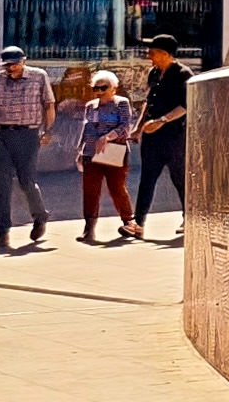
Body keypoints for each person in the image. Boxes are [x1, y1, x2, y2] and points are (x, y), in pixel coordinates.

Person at [0, 45, 58, 251]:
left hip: (28, 134)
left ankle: (40, 216)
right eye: (7, 65)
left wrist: (47, 130)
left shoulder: (38, 77)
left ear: (23, 61)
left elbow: (49, 105)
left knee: (26, 181)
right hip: (2, 135)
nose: (10, 69)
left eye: (14, 65)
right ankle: (2, 233)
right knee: (2, 185)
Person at [133, 34, 192, 242]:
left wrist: (162, 121)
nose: (149, 56)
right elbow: (148, 102)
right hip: (152, 137)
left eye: (153, 53)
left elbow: (186, 105)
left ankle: (189, 218)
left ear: (165, 54)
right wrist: (138, 127)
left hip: (174, 137)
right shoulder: (154, 73)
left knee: (179, 178)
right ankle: (137, 223)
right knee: (147, 179)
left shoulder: (183, 74)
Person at [76, 70, 138, 244]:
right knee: (90, 191)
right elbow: (86, 129)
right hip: (92, 153)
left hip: (114, 151)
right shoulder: (90, 106)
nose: (99, 92)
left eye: (103, 88)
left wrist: (108, 136)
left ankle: (129, 222)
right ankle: (89, 228)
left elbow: (125, 127)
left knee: (116, 188)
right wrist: (80, 150)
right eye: (96, 88)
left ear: (113, 88)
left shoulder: (121, 103)